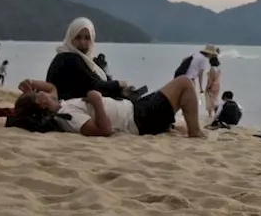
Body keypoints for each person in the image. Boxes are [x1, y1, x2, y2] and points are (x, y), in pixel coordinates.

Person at [13, 77, 205, 139]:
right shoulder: (66, 114)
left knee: (178, 95)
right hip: (138, 119)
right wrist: (97, 100)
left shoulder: (60, 104)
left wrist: (30, 82)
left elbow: (51, 88)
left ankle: (185, 128)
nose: (43, 91)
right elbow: (103, 131)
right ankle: (195, 134)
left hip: (135, 108)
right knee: (184, 83)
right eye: (39, 93)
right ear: (41, 103)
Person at [45, 18, 129, 101]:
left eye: (87, 38)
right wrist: (119, 84)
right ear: (71, 38)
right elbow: (94, 86)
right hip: (66, 106)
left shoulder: (84, 59)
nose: (82, 42)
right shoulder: (68, 59)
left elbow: (95, 81)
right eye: (78, 37)